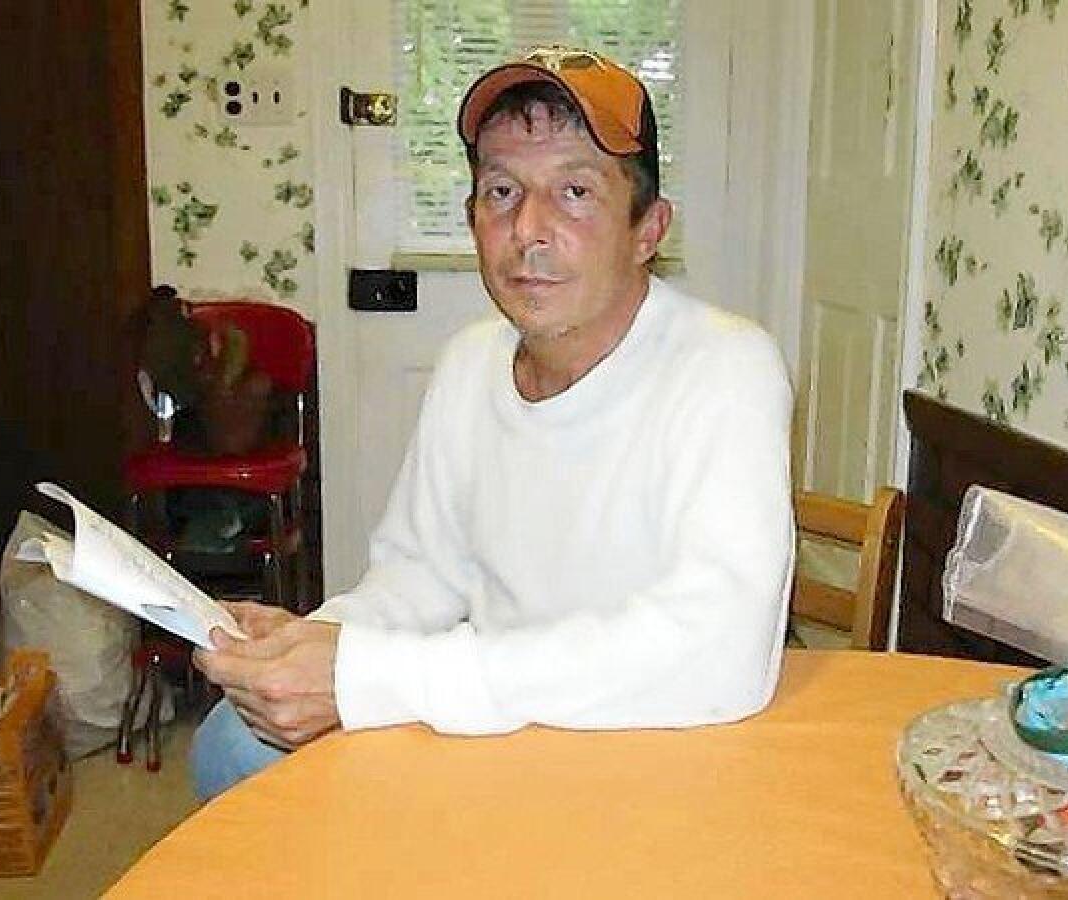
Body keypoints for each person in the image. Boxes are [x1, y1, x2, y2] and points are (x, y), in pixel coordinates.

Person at [191, 45, 795, 801]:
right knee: (227, 746)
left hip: (657, 748)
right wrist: (319, 644)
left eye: (574, 191)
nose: (528, 229)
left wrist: (372, 678)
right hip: (501, 719)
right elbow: (420, 578)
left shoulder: (727, 368)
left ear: (649, 230)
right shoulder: (470, 363)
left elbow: (717, 655)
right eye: (501, 191)